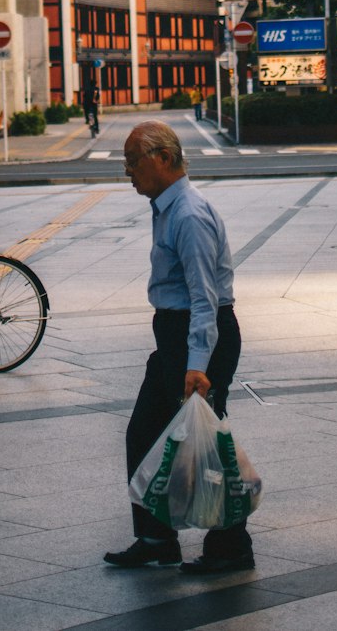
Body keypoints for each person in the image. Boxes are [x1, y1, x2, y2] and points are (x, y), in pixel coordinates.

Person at [104, 121, 253, 576]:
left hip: (199, 336)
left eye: (134, 161)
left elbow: (204, 298)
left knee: (205, 443)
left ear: (163, 159)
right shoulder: (166, 206)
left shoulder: (187, 214)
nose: (128, 171)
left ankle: (231, 546)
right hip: (176, 335)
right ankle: (156, 539)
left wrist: (196, 366)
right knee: (146, 432)